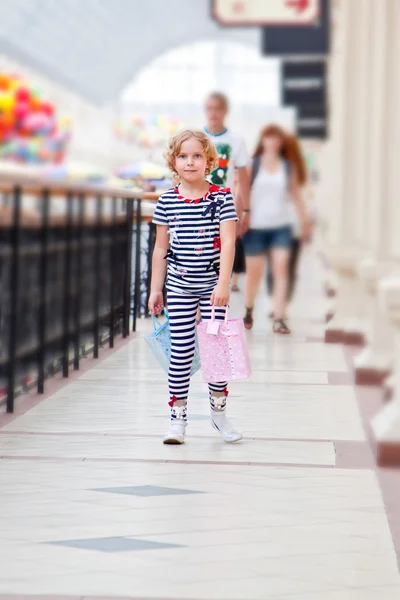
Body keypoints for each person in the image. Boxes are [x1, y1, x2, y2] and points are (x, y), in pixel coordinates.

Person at [148, 129, 242, 445]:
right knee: (181, 350)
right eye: (183, 156)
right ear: (174, 162)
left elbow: (228, 242)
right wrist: (155, 289)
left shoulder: (221, 196)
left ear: (208, 161)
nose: (190, 162)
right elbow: (161, 248)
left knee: (216, 350)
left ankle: (219, 412)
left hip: (213, 286)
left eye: (197, 156)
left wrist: (223, 283)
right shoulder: (166, 200)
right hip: (179, 286)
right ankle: (177, 418)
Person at [242, 125, 311, 334]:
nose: (272, 142)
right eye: (268, 138)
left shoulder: (287, 167)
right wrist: (238, 217)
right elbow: (240, 191)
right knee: (254, 274)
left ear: (280, 142)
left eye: (275, 138)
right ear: (262, 141)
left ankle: (279, 317)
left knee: (281, 270)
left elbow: (296, 195)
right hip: (255, 228)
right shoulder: (252, 165)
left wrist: (305, 222)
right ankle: (249, 309)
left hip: (281, 227)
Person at [266, 134, 311, 308]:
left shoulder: (294, 169)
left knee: (288, 266)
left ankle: (282, 302)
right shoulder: (273, 168)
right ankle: (277, 301)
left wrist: (305, 223)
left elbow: (301, 198)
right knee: (276, 265)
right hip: (277, 223)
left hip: (292, 225)